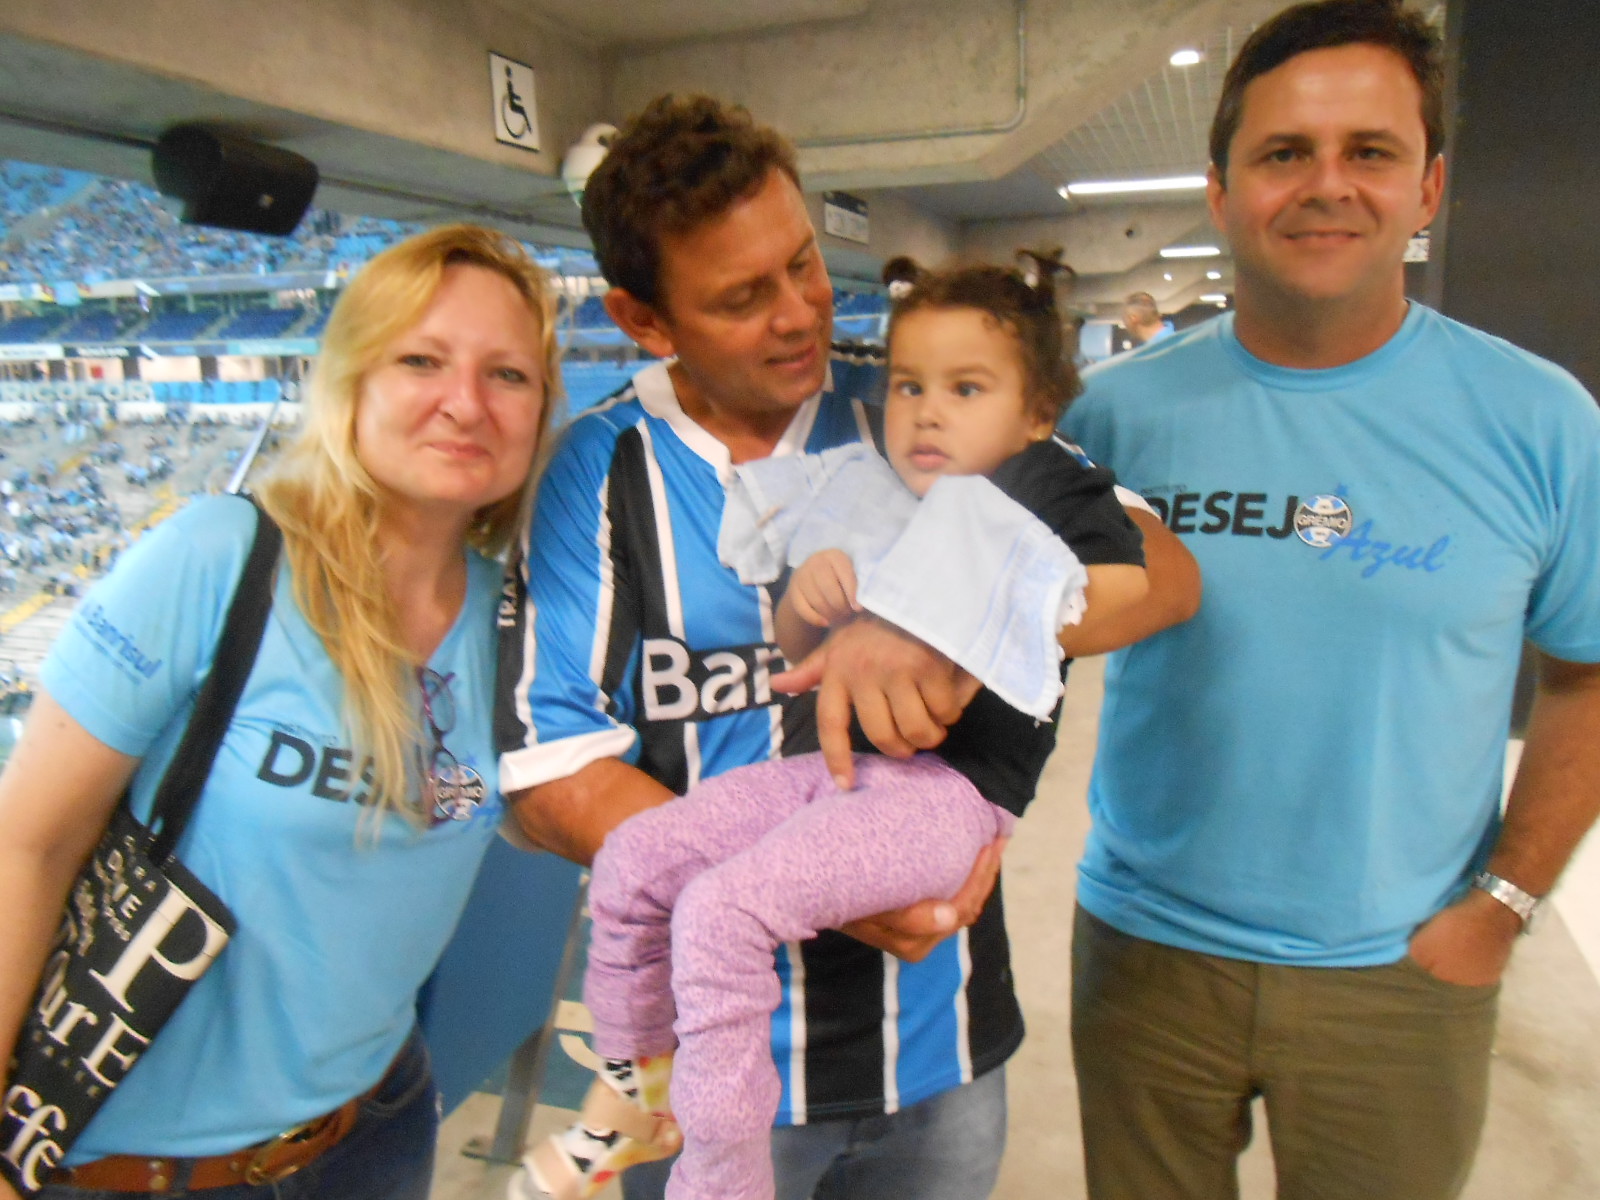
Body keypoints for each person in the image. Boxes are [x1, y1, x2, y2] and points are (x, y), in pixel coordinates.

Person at [496, 95, 1200, 1200]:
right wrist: (811, 888)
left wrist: (934, 616)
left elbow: (1162, 571)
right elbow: (548, 776)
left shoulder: (919, 403)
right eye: (741, 296)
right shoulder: (596, 473)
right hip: (723, 1066)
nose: (798, 315)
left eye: (804, 265)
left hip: (941, 1042)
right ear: (644, 319)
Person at [1059, 3, 1600, 1198]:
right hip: (1146, 961)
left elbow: (1587, 675)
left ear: (1430, 187)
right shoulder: (1109, 419)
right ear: (1220, 188)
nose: (1325, 186)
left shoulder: (1542, 423)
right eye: (1282, 153)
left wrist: (1501, 908)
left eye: (1370, 151)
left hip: (1399, 978)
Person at [0, 224, 561, 1200]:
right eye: (420, 360)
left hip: (372, 1134)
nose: (464, 403)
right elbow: (27, 845)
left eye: (507, 375)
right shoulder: (220, 557)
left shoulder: (518, 624)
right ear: (350, 382)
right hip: (135, 1170)